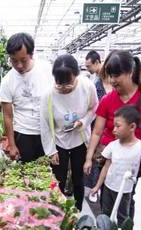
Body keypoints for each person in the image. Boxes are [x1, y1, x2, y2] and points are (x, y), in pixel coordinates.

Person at [83, 50, 141, 219]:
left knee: (126, 195)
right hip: (109, 157)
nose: (112, 80)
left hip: (133, 159)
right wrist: (89, 158)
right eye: (110, 75)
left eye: (117, 75)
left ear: (130, 72)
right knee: (106, 195)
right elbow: (97, 132)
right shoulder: (107, 100)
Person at [40, 54, 97, 211]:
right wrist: (51, 151)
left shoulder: (87, 87)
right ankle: (57, 211)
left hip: (80, 139)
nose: (64, 88)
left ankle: (77, 211)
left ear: (76, 75)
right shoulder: (48, 95)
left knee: (79, 179)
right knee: (58, 179)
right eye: (60, 84)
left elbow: (94, 108)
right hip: (59, 141)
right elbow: (44, 125)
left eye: (69, 83)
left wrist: (83, 122)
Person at [89, 105, 141, 224]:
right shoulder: (112, 146)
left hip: (125, 191)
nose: (113, 129)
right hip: (108, 188)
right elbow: (105, 167)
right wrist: (98, 186)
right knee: (105, 215)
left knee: (122, 218)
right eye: (114, 125)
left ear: (132, 127)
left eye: (118, 126)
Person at [0, 33, 54, 163]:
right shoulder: (7, 81)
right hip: (23, 134)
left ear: (31, 54)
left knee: (48, 173)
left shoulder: (46, 70)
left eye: (23, 60)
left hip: (47, 132)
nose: (18, 65)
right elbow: (7, 116)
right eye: (14, 60)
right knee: (24, 173)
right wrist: (12, 145)